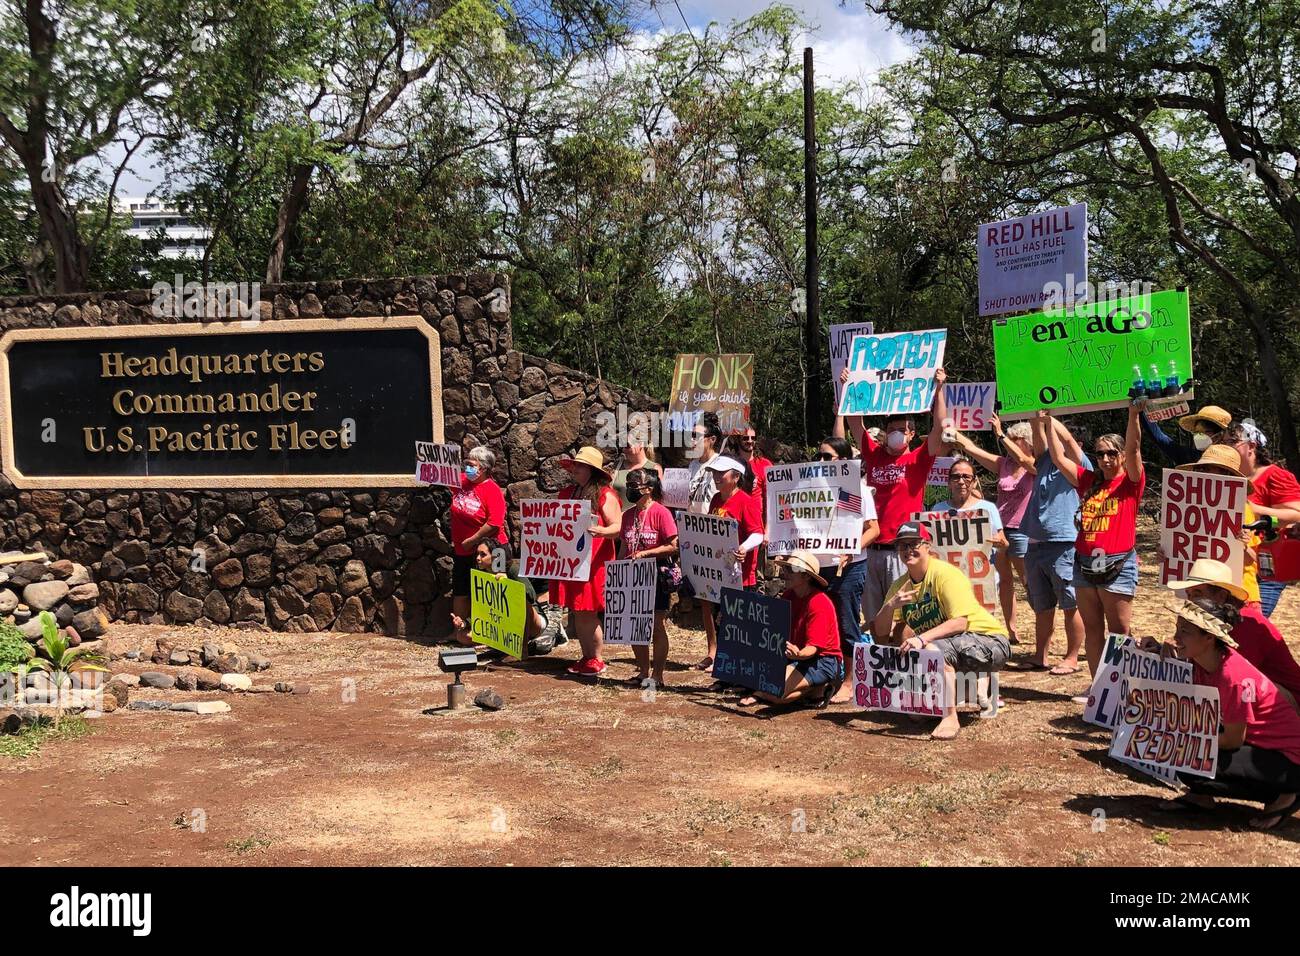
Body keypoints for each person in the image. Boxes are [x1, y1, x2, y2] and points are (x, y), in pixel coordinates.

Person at [1154, 597, 1300, 830]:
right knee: (1183, 755)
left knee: (1185, 756)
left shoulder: (1232, 677)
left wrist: (1183, 741)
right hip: (1263, 748)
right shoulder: (1203, 662)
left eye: (1185, 631)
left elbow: (1233, 739)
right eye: (1177, 628)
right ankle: (1200, 796)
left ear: (1209, 637)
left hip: (1289, 759)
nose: (1175, 637)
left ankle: (1286, 795)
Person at [872, 521, 1011, 740]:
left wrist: (920, 639)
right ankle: (973, 685)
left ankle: (950, 717)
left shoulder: (945, 574)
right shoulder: (900, 586)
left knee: (931, 649)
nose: (908, 550)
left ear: (927, 545)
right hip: (951, 648)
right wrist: (890, 607)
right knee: (917, 716)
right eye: (902, 546)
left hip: (990, 641)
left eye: (913, 544)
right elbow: (880, 633)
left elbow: (960, 623)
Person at [836, 365, 950, 631]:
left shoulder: (918, 459)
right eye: (892, 428)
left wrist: (939, 389)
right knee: (874, 617)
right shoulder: (874, 454)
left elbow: (939, 428)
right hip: (872, 549)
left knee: (904, 617)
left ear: (911, 433)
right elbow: (855, 422)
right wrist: (848, 387)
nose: (896, 433)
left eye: (902, 429)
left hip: (903, 551)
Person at [1048, 401, 1144, 678]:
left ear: (1121, 456)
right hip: (1084, 562)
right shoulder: (1089, 481)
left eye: (1112, 453)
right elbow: (1058, 458)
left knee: (1119, 630)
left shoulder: (1130, 483)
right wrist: (1045, 422)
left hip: (1117, 563)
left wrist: (1133, 414)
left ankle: (1121, 685)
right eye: (1100, 454)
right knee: (1093, 629)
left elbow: (1135, 447)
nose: (1105, 459)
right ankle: (1098, 686)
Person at [1161, 558, 1300, 702]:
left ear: (1221, 596)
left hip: (1288, 702)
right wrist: (1169, 648)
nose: (1191, 601)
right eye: (1189, 594)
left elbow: (1236, 677)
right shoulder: (1205, 623)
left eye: (1197, 594)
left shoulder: (1247, 623)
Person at [1016, 413, 1090, 676]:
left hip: (1064, 541)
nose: (1054, 442)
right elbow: (1039, 438)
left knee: (1070, 603)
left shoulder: (1082, 466)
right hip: (1035, 542)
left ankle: (1071, 657)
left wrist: (1049, 418)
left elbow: (1067, 439)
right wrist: (1035, 417)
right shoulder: (1046, 460)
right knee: (1041, 605)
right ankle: (1041, 655)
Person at [950, 414, 1035, 645]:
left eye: (1014, 439)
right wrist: (954, 432)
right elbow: (973, 449)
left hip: (1021, 530)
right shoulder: (1003, 464)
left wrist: (999, 433)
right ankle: (1011, 629)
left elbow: (1022, 458)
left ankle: (1042, 624)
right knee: (1004, 581)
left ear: (1027, 441)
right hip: (997, 529)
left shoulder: (1033, 466)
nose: (1009, 443)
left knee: (1029, 581)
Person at [811, 436, 880, 704]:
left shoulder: (858, 490)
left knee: (846, 622)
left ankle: (850, 681)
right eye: (819, 456)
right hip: (818, 566)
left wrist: (850, 551)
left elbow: (874, 529)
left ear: (841, 460)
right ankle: (824, 676)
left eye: (827, 457)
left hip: (849, 568)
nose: (821, 461)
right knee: (821, 623)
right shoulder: (811, 488)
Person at [737, 550, 843, 708]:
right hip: (795, 656)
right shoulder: (788, 596)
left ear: (806, 576)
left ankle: (766, 693)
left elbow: (814, 648)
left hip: (821, 660)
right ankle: (813, 691)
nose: (785, 573)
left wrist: (799, 655)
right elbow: (770, 625)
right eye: (786, 569)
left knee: (772, 689)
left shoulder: (819, 602)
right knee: (773, 692)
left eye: (792, 570)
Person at [1217, 420, 1300, 617]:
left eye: (1232, 442)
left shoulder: (1276, 475)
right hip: (1236, 567)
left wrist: (1253, 509)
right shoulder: (1230, 479)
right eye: (1224, 443)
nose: (1227, 447)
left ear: (1251, 446)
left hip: (1266, 567)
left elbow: (1296, 514)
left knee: (1253, 624)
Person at [553, 446, 623, 677]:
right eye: (575, 465)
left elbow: (617, 527)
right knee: (578, 611)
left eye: (580, 465)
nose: (575, 469)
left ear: (592, 470)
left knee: (588, 611)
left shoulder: (606, 495)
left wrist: (600, 532)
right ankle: (587, 656)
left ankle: (596, 659)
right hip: (574, 562)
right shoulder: (570, 493)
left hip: (594, 564)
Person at [698, 455, 764, 672]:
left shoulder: (747, 502)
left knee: (739, 624)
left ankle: (738, 669)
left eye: (721, 473)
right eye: (715, 473)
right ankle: (726, 666)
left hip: (742, 576)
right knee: (724, 620)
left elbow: (758, 534)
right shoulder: (716, 499)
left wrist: (743, 548)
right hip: (720, 574)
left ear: (735, 477)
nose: (716, 477)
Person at [618, 467, 679, 689]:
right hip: (632, 575)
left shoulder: (661, 513)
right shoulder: (627, 515)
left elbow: (673, 546)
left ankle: (658, 674)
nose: (630, 489)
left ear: (649, 488)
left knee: (655, 624)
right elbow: (623, 547)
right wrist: (616, 573)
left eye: (635, 485)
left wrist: (646, 553)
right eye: (629, 484)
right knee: (635, 623)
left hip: (655, 573)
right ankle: (643, 671)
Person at [450, 541, 554, 656]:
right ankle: (501, 645)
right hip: (502, 624)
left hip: (531, 623)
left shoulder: (511, 568)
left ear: (495, 556)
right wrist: (464, 623)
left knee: (523, 603)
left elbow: (531, 595)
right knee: (462, 636)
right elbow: (482, 607)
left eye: (483, 554)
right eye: (477, 554)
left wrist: (508, 584)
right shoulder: (481, 576)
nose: (478, 558)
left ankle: (522, 649)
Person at [449, 445, 509, 644]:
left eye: (471, 464)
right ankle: (458, 631)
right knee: (461, 590)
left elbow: (495, 523)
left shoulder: (492, 490)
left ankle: (497, 634)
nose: (467, 467)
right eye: (466, 463)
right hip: (463, 551)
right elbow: (440, 474)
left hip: (493, 550)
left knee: (494, 590)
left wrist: (472, 541)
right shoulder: (462, 482)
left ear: (483, 468)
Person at [1141, 403, 1232, 467]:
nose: (1199, 436)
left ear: (1220, 435)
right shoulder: (1188, 456)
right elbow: (1160, 438)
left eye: (1205, 432)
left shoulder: (1233, 459)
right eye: (1196, 432)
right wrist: (1141, 411)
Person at [612, 411, 664, 507]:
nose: (624, 449)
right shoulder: (618, 466)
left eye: (627, 445)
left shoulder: (654, 469)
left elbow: (657, 500)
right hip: (618, 519)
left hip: (642, 519)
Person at [735, 423, 774, 527]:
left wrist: (768, 528)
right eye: (746, 438)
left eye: (753, 438)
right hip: (734, 521)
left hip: (756, 523)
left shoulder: (765, 464)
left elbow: (771, 499)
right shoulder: (731, 463)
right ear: (738, 440)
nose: (750, 441)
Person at [686, 412, 724, 514]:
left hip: (712, 524)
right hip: (691, 525)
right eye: (691, 435)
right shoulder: (692, 465)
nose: (692, 440)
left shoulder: (721, 464)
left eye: (697, 436)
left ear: (712, 439)